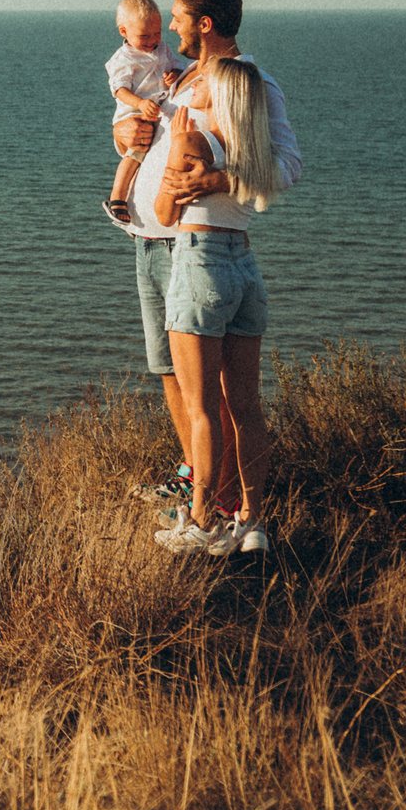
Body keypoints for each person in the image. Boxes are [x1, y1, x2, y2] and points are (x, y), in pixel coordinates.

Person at [113, 0, 302, 539]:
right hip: (149, 241)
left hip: (191, 245)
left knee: (211, 396)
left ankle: (211, 510)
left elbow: (288, 164)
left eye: (177, 16)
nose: (169, 26)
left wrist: (215, 178)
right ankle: (219, 497)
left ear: (205, 23)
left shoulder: (249, 84)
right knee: (171, 373)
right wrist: (127, 133)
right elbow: (150, 146)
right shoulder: (182, 77)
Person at [147, 54, 288, 554]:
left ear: (220, 96)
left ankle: (203, 519)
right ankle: (251, 524)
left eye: (203, 84)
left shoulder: (190, 141)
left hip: (199, 260)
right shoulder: (254, 152)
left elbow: (164, 212)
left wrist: (171, 155)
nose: (193, 88)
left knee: (201, 406)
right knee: (247, 406)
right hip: (246, 267)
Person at [102, 0, 186, 227]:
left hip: (156, 108)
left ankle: (137, 208)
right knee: (136, 153)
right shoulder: (122, 59)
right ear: (124, 32)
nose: (152, 40)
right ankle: (117, 196)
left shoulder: (162, 48)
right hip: (134, 112)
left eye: (157, 33)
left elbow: (177, 65)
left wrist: (175, 75)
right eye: (144, 36)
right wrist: (139, 104)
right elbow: (119, 90)